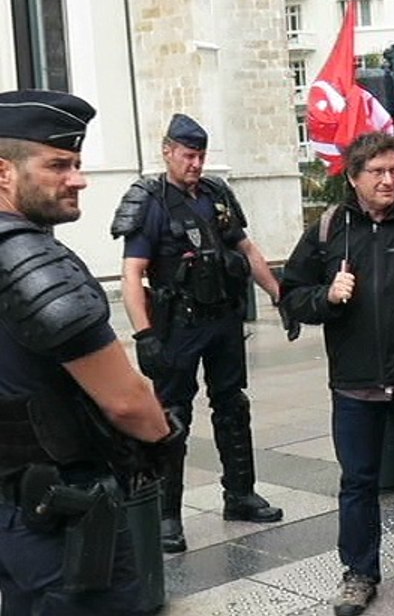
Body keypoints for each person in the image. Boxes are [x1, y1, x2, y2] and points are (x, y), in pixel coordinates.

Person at [0, 89, 178, 614]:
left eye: (77, 163)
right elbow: (126, 402)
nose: (78, 179)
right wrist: (163, 436)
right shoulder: (33, 261)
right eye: (58, 164)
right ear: (3, 172)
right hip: (64, 520)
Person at [280, 133, 394, 615]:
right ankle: (359, 573)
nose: (388, 180)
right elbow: (290, 296)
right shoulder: (329, 230)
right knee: (358, 482)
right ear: (354, 178)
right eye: (376, 171)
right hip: (354, 385)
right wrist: (325, 298)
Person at [110, 113, 283, 554]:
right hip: (178, 325)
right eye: (189, 155)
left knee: (232, 407)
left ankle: (240, 494)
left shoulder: (216, 195)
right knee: (173, 418)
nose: (196, 163)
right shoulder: (150, 200)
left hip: (223, 321)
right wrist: (144, 334)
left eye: (201, 155)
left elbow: (246, 248)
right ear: (167, 151)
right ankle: (168, 515)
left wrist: (280, 296)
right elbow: (132, 274)